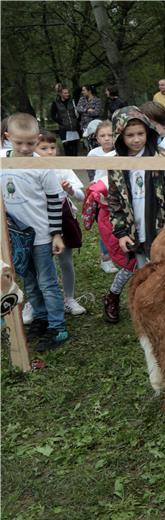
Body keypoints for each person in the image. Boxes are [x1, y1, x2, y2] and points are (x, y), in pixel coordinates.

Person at [104, 106, 165, 323]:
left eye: (141, 134)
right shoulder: (116, 163)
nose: (136, 139)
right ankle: (151, 315)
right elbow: (114, 200)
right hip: (134, 228)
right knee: (144, 273)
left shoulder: (162, 157)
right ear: (120, 136)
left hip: (160, 227)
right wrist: (121, 232)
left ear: (148, 132)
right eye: (130, 135)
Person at [1, 113, 68, 352]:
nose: (25, 148)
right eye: (19, 143)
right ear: (8, 137)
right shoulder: (2, 160)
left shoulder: (42, 165)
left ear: (37, 139)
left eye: (30, 143)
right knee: (28, 280)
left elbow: (53, 200)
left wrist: (56, 234)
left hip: (40, 235)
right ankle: (40, 317)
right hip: (14, 237)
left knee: (47, 281)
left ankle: (57, 326)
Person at [34, 132, 86, 317]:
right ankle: (35, 303)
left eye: (52, 148)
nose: (49, 152)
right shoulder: (29, 168)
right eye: (43, 148)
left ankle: (69, 298)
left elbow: (81, 195)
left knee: (66, 261)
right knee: (41, 264)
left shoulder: (61, 168)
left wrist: (70, 189)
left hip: (63, 219)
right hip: (39, 220)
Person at [86, 120, 118, 273]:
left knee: (119, 225)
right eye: (102, 135)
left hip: (117, 194)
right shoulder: (93, 153)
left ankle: (121, 254)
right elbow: (91, 173)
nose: (107, 138)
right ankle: (106, 258)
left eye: (110, 135)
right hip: (100, 196)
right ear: (97, 138)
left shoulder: (120, 152)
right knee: (105, 228)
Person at [49, 84, 80, 156]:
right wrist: (61, 122)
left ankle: (76, 166)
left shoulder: (72, 101)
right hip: (64, 130)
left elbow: (77, 113)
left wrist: (76, 121)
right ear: (60, 94)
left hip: (74, 128)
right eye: (65, 93)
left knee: (75, 150)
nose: (67, 94)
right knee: (67, 150)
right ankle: (69, 167)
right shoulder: (55, 103)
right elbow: (53, 116)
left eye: (68, 92)